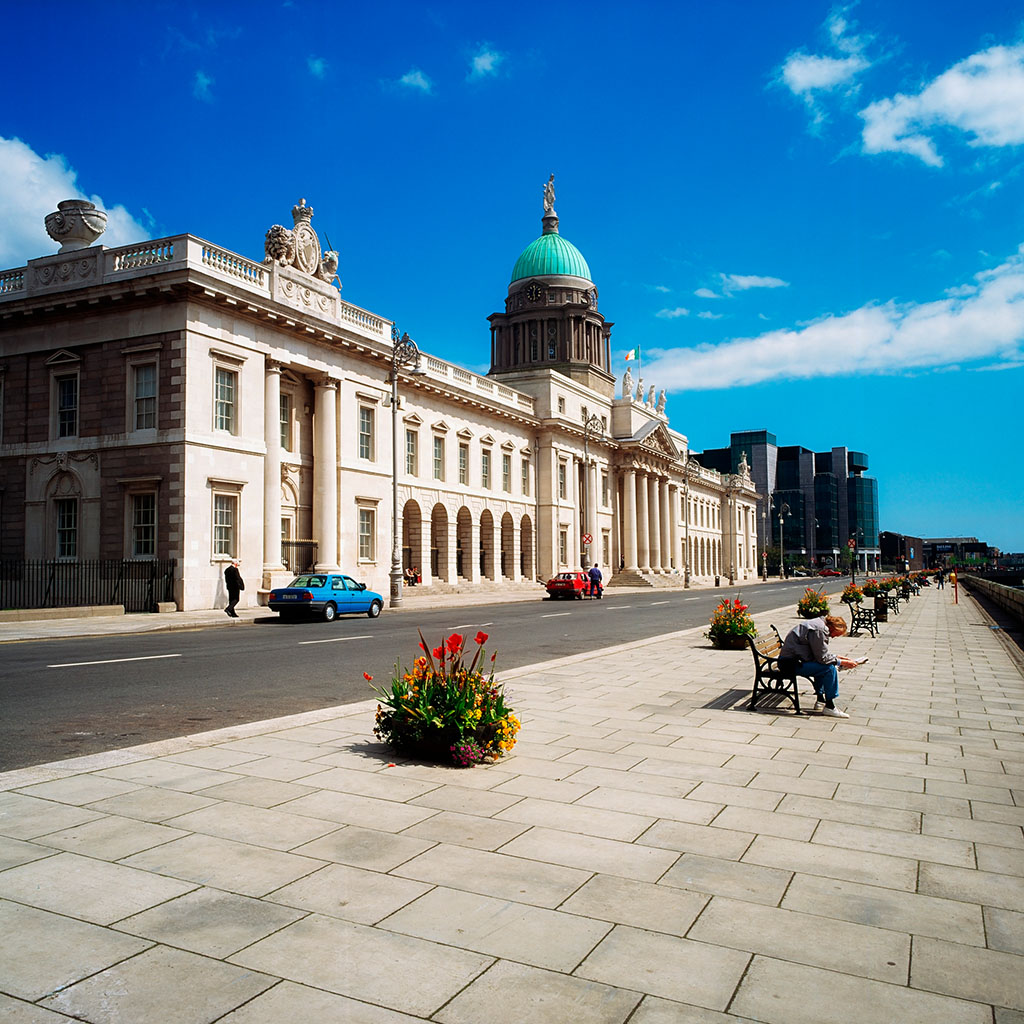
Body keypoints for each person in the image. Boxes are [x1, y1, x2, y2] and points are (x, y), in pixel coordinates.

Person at [778, 614, 860, 718]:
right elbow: (822, 658)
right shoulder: (819, 630)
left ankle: (821, 699)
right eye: (836, 634)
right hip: (790, 664)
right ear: (833, 627)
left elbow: (819, 654)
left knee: (823, 667)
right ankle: (830, 706)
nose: (834, 637)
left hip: (791, 661)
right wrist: (841, 662)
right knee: (828, 669)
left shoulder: (818, 624)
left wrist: (839, 658)